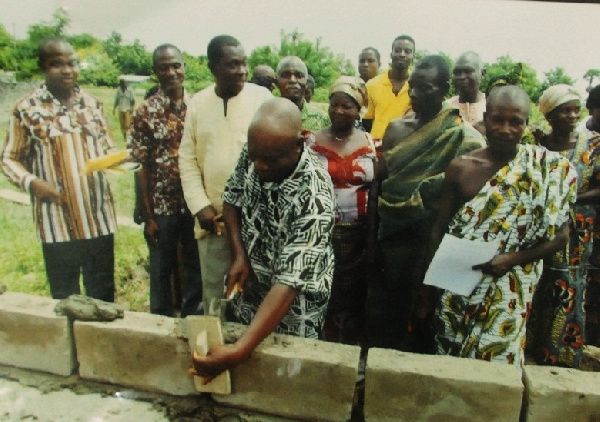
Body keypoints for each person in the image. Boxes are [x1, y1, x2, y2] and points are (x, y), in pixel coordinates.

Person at [419, 86, 575, 367]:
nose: (506, 129)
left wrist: (511, 259)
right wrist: (427, 293)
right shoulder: (461, 168)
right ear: (486, 118)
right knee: (449, 360)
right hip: (457, 285)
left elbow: (561, 238)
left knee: (498, 365)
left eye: (516, 122)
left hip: (509, 290)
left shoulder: (544, 170)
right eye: (498, 120)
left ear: (527, 124)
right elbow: (438, 231)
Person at [191, 98, 335, 378]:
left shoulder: (316, 196)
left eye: (269, 160)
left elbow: (290, 282)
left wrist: (239, 351)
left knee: (289, 373)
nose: (259, 166)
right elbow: (232, 198)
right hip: (253, 284)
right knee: (249, 371)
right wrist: (240, 254)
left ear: (299, 144)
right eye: (254, 156)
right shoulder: (259, 150)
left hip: (294, 303)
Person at [366, 55, 486, 350]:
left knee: (429, 322)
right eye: (413, 87)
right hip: (394, 240)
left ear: (444, 89)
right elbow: (378, 185)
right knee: (386, 317)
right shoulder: (395, 129)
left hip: (435, 243)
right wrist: (371, 240)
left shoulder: (463, 137)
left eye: (426, 88)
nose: (416, 94)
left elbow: (469, 204)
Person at [1, 37, 117, 301]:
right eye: (57, 64)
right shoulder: (25, 109)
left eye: (72, 63)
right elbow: (8, 158)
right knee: (65, 297)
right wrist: (33, 183)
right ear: (43, 67)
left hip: (98, 219)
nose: (67, 70)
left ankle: (98, 343)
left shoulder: (93, 105)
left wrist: (118, 160)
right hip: (56, 222)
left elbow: (108, 149)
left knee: (104, 295)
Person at [179, 35, 272, 315]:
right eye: (233, 65)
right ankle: (215, 350)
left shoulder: (262, 99)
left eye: (244, 63)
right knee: (217, 294)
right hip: (215, 221)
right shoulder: (198, 103)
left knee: (259, 293)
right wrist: (200, 206)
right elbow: (187, 159)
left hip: (258, 220)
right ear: (213, 68)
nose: (242, 71)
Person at [526, 84, 600, 368]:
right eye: (563, 110)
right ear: (549, 115)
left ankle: (560, 355)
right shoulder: (538, 146)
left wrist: (571, 197)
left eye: (574, 109)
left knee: (568, 287)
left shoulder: (593, 145)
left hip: (576, 233)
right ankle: (529, 348)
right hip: (540, 230)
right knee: (537, 282)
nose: (571, 115)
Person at [127, 44, 202, 317]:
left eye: (176, 66)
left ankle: (193, 320)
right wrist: (148, 216)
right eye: (163, 67)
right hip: (162, 207)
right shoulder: (145, 112)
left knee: (195, 267)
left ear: (184, 67)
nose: (171, 72)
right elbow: (139, 165)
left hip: (194, 203)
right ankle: (159, 323)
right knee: (161, 268)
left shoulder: (199, 106)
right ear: (155, 72)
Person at [310, 76, 375, 344]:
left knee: (354, 288)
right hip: (321, 229)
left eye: (347, 106)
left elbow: (378, 185)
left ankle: (350, 340)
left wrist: (372, 231)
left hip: (359, 232)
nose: (338, 111)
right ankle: (322, 336)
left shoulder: (371, 143)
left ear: (359, 109)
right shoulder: (312, 142)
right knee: (325, 284)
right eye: (334, 104)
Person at [362, 35, 415, 145]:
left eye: (407, 51)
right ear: (391, 54)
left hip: (406, 147)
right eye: (398, 50)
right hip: (376, 147)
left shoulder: (418, 85)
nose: (402, 54)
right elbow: (367, 121)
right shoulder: (372, 85)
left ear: (413, 56)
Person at [275, 56, 330, 131]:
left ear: (306, 82)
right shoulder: (267, 116)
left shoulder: (322, 119)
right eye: (286, 75)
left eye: (299, 75)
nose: (292, 80)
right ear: (277, 82)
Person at [446, 51, 486, 129]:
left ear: (483, 74)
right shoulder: (445, 109)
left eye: (468, 71)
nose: (462, 77)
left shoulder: (492, 106)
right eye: (457, 72)